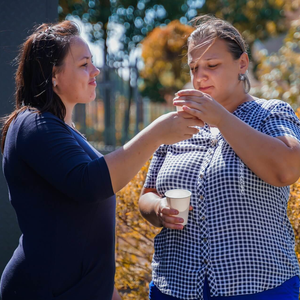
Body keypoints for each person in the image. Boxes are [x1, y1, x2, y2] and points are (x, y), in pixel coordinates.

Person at [0, 20, 203, 300]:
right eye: (84, 65)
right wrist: (156, 133)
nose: (95, 71)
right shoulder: (33, 124)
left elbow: (82, 229)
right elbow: (91, 183)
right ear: (53, 75)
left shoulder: (63, 131)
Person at [139, 15, 300, 300]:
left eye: (212, 65)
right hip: (175, 286)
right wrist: (159, 208)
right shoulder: (178, 125)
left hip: (259, 287)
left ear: (242, 64)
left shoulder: (270, 113)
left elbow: (288, 168)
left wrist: (221, 118)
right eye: (193, 67)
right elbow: (147, 193)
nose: (200, 76)